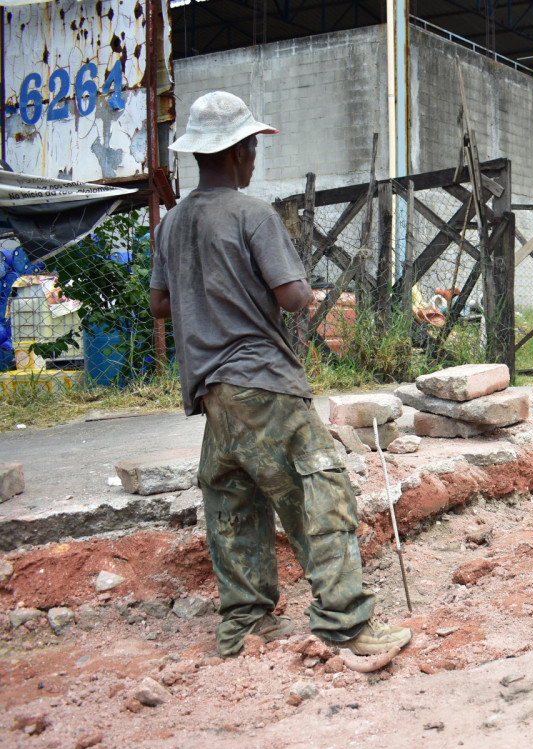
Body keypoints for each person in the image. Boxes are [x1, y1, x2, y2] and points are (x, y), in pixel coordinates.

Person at [149, 91, 413, 659]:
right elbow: (294, 297)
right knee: (321, 492)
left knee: (236, 504)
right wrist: (281, 285)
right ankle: (346, 622)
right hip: (263, 381)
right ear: (240, 151)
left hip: (212, 392)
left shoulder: (172, 224)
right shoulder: (252, 214)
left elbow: (159, 305)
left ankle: (245, 625)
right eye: (253, 149)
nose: (254, 160)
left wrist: (210, 291)